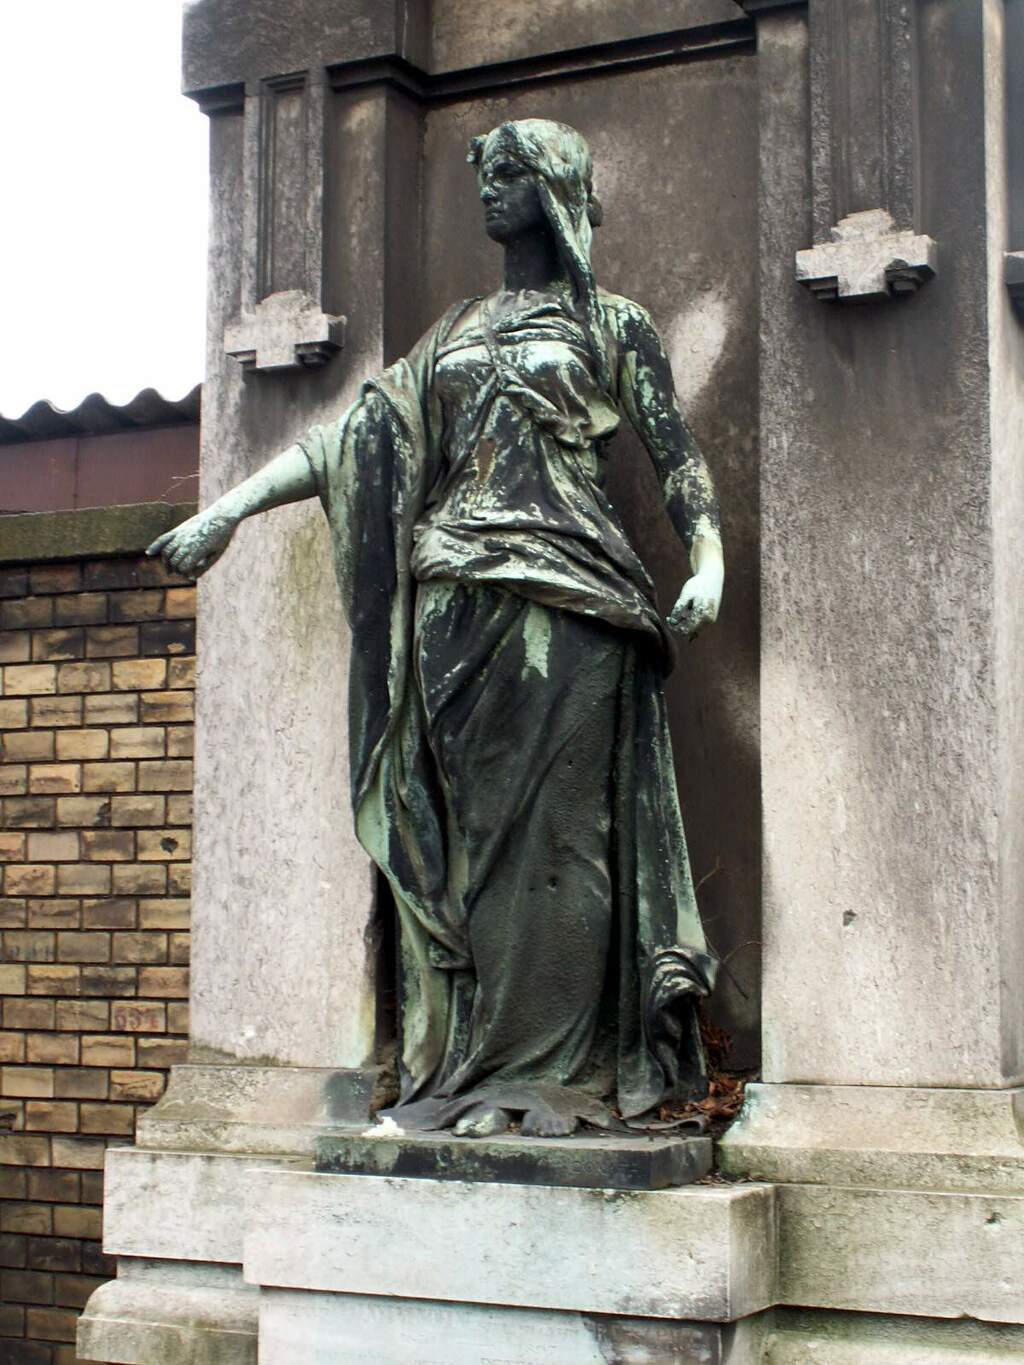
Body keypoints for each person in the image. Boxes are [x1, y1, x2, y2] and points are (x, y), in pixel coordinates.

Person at [149, 118, 724, 1139]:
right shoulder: (453, 331)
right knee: (477, 847)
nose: (488, 192)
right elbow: (353, 439)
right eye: (484, 175)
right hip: (455, 607)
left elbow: (674, 452)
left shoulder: (613, 324)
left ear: (555, 189)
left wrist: (708, 557)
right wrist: (225, 513)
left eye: (508, 174)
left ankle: (559, 1074)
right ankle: (478, 1069)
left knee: (564, 839)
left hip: (575, 603)